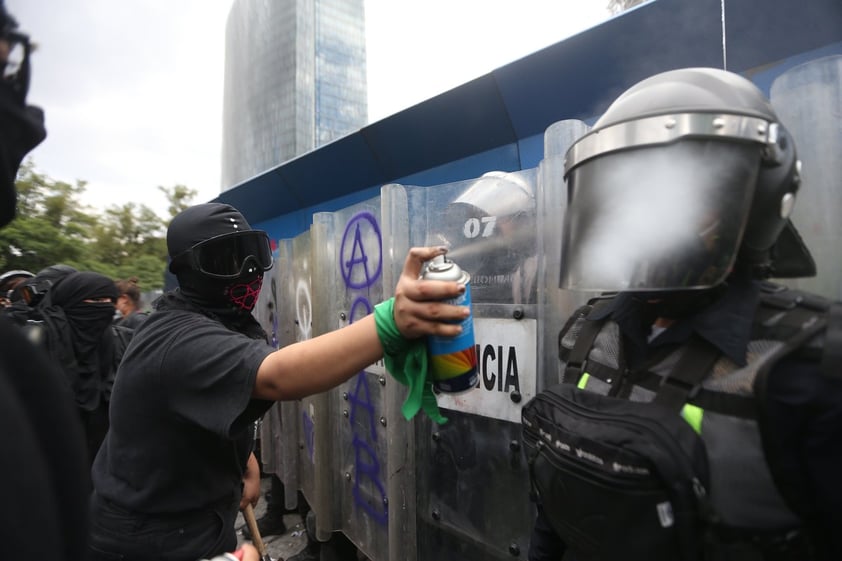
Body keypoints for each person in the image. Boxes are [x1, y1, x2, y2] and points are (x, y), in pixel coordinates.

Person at [525, 67, 841, 560]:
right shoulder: (589, 331)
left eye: (678, 199)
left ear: (755, 202)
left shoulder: (812, 362)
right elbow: (559, 507)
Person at [88, 202, 468, 561]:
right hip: (150, 542)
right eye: (226, 261)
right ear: (188, 272)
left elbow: (202, 411)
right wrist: (389, 323)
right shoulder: (179, 340)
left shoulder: (207, 321)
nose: (248, 271)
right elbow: (278, 376)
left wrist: (245, 458)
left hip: (195, 522)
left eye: (252, 253)